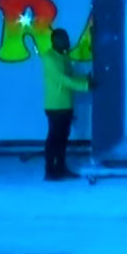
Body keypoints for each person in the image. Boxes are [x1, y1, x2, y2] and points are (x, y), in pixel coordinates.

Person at [40, 28, 91, 180]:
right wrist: (86, 85)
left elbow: (71, 76)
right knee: (54, 139)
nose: (68, 42)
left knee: (63, 139)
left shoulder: (63, 57)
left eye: (67, 38)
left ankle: (61, 168)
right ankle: (50, 171)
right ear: (55, 40)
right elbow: (63, 80)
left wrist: (85, 79)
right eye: (64, 39)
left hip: (66, 104)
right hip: (55, 105)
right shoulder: (49, 58)